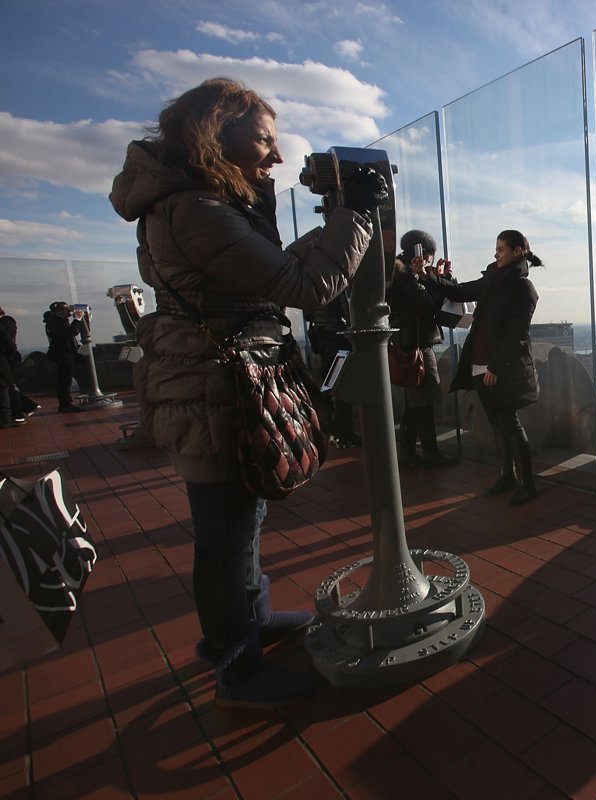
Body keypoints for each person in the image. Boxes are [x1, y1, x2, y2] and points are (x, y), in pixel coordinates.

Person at [109, 77, 387, 708]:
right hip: (214, 387)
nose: (277, 156)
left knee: (243, 518)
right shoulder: (196, 210)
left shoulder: (198, 202)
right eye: (264, 140)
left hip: (219, 380)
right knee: (225, 533)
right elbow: (305, 287)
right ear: (217, 135)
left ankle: (251, 622)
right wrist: (355, 215)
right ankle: (236, 667)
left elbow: (267, 268)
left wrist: (328, 218)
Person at [422, 230, 541, 505]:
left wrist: (496, 367)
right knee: (497, 424)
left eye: (501, 249)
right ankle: (507, 475)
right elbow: (460, 291)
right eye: (496, 249)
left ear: (517, 251)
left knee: (509, 422)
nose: (495, 253)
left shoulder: (523, 288)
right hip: (479, 364)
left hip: (499, 367)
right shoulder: (492, 278)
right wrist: (428, 276)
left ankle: (528, 484)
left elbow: (517, 333)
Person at [386, 230, 459, 469]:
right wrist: (438, 280)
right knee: (424, 401)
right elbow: (428, 304)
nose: (429, 260)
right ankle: (429, 453)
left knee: (415, 403)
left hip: (407, 345)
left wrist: (435, 277)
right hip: (417, 347)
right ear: (419, 252)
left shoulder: (398, 274)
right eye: (429, 254)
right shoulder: (407, 277)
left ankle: (408, 453)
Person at [306, 289, 360, 447]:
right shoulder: (336, 286)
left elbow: (308, 315)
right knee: (342, 385)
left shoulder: (312, 287)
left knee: (328, 385)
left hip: (320, 340)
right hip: (336, 339)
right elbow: (347, 312)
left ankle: (329, 429)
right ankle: (345, 432)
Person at [43, 301, 87, 412]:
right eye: (66, 310)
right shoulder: (55, 322)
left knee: (66, 377)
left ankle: (66, 403)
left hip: (64, 352)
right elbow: (68, 334)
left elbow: (72, 332)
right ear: (59, 312)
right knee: (65, 378)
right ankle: (65, 404)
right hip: (63, 353)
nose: (68, 312)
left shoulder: (56, 321)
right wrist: (77, 319)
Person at [0, 306, 24, 428]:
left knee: (4, 389)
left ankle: (6, 418)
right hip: (5, 360)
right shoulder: (6, 323)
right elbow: (10, 345)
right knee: (5, 388)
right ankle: (8, 417)